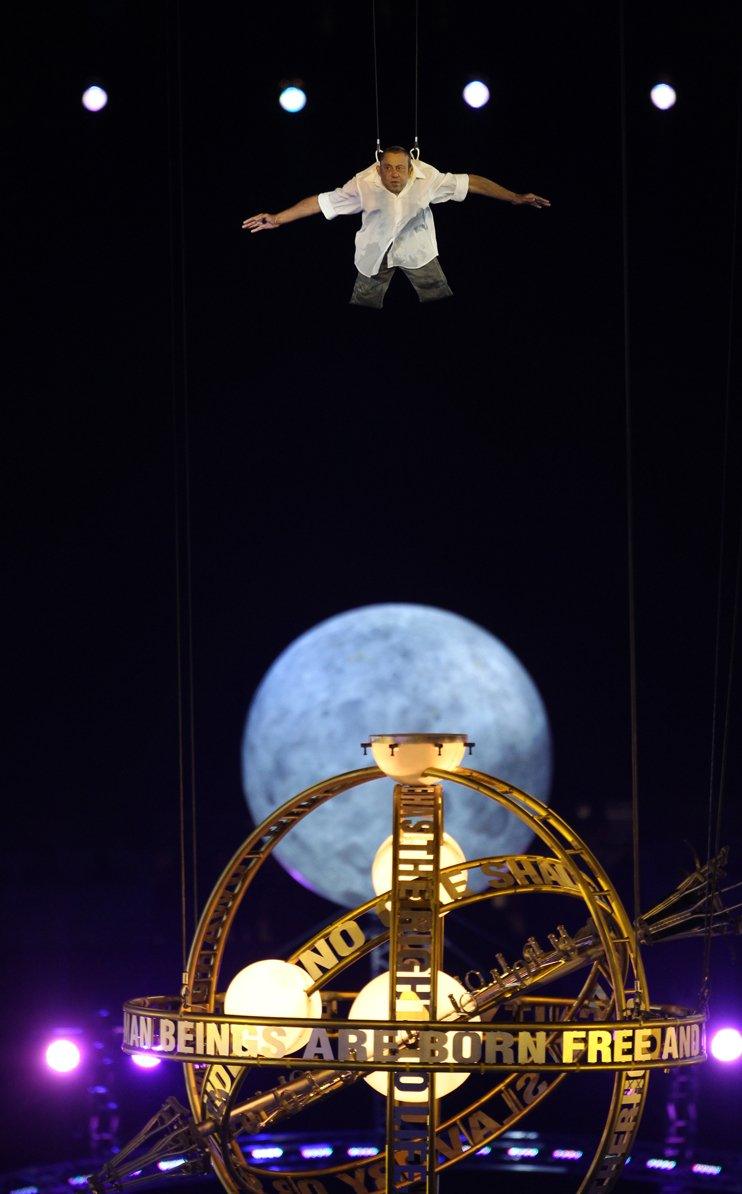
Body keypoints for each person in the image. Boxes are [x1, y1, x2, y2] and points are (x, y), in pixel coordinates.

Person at [242, 146, 550, 308]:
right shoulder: (363, 183)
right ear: (378, 167)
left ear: (410, 167)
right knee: (363, 301)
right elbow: (322, 202)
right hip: (374, 253)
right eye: (387, 168)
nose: (393, 174)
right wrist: (278, 218)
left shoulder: (428, 179)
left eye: (399, 168)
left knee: (438, 296)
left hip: (418, 251)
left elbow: (472, 183)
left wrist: (515, 197)